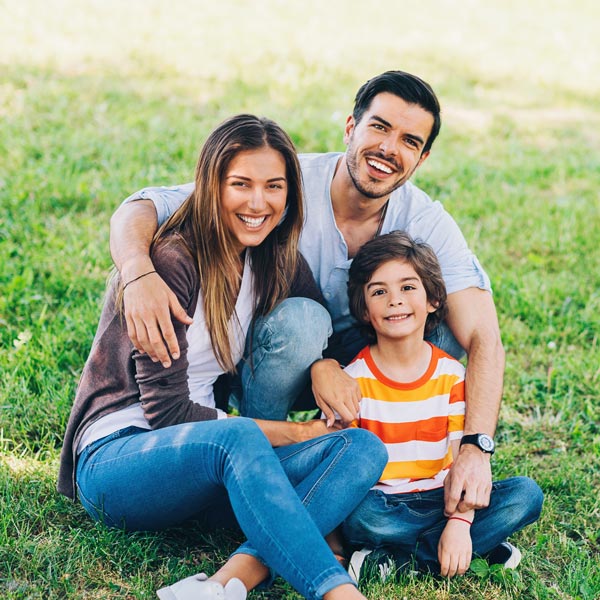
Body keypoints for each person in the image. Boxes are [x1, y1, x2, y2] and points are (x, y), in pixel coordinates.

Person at [109, 69, 505, 517]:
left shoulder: (427, 220)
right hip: (261, 358)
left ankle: (404, 475)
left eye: (409, 142)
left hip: (358, 368)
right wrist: (138, 272)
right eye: (379, 127)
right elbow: (142, 205)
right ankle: (266, 474)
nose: (389, 149)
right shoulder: (285, 183)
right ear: (351, 127)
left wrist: (476, 448)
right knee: (301, 321)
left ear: (423, 157)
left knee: (443, 334)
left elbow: (484, 339)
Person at [57, 114, 388, 600]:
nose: (259, 203)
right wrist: (295, 433)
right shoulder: (175, 259)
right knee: (236, 435)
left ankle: (227, 582)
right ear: (212, 186)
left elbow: (328, 334)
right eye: (241, 185)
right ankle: (339, 592)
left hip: (207, 466)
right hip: (120, 460)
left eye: (274, 186)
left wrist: (324, 363)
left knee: (362, 449)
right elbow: (167, 414)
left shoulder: (273, 255)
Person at [339, 231, 543, 581]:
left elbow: (459, 462)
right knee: (359, 516)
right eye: (378, 291)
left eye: (407, 287)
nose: (394, 300)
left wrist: (461, 524)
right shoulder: (353, 380)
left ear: (433, 299)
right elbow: (347, 473)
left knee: (526, 495)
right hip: (384, 505)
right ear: (364, 308)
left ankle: (398, 560)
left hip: (444, 497)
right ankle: (466, 551)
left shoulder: (452, 376)